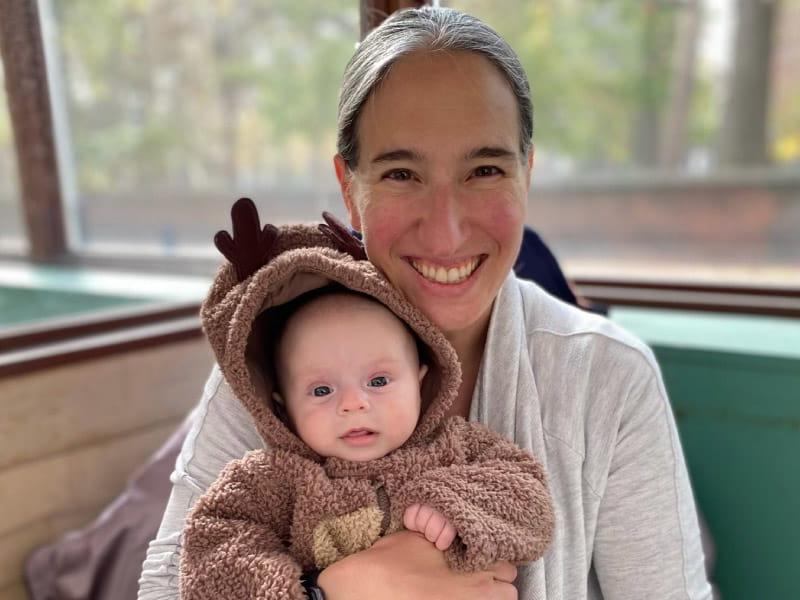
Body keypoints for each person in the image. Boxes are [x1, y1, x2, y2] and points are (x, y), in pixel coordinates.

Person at [139, 6, 713, 599]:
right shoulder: (274, 364)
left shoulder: (607, 377)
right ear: (349, 189)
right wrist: (335, 591)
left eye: (485, 169)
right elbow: (167, 584)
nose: (446, 232)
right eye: (401, 175)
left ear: (527, 175)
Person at [178, 212, 554, 598]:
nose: (354, 404)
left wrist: (453, 503)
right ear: (282, 407)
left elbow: (529, 498)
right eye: (322, 391)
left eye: (378, 381)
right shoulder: (270, 482)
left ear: (420, 381)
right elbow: (212, 555)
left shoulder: (459, 448)